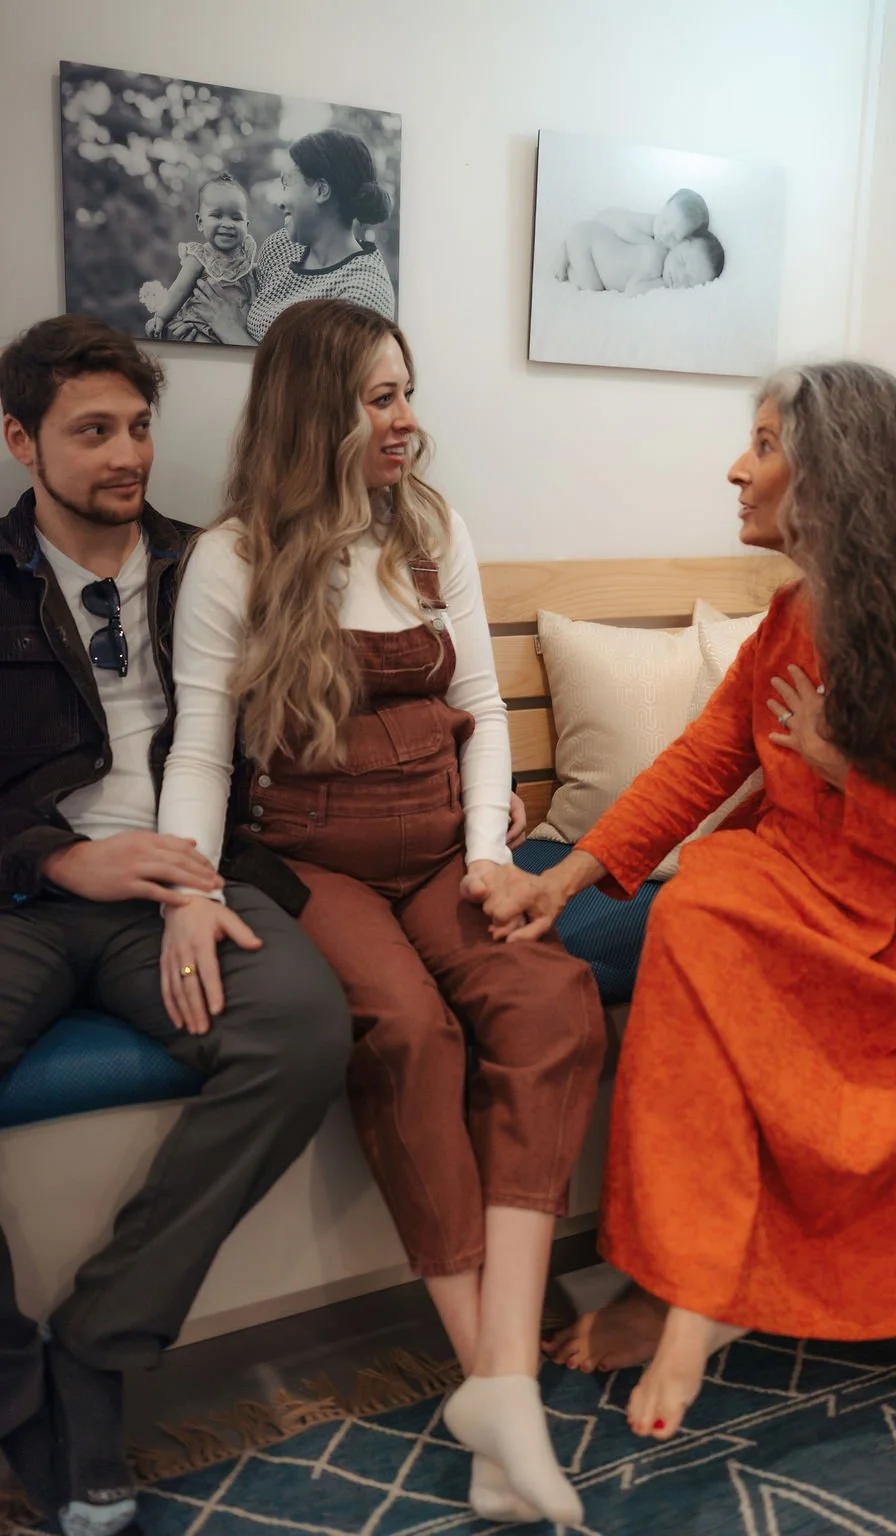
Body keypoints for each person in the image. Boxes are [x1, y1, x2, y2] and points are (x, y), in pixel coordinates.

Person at [473, 360, 896, 1442]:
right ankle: (689, 1281)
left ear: (835, 476)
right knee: (705, 899)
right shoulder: (792, 614)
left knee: (707, 912)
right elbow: (699, 761)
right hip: (815, 890)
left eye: (765, 445)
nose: (738, 468)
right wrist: (562, 879)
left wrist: (834, 773)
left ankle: (693, 1292)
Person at [156, 298, 605, 1527]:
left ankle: (501, 1386)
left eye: (406, 392)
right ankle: (489, 1377)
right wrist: (189, 896)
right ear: (316, 411)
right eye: (378, 398)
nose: (406, 420)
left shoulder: (430, 532)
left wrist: (484, 857)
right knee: (409, 1032)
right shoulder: (232, 557)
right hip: (312, 861)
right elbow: (200, 754)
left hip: (439, 856)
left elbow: (485, 718)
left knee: (548, 998)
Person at [0, 315, 352, 1535]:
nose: (128, 454)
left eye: (140, 426)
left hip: (189, 886)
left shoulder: (210, 560)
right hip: (27, 900)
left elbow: (287, 718)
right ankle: (19, 1390)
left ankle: (99, 1340)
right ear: (18, 441)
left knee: (304, 1027)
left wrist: (461, 771)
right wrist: (62, 857)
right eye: (92, 431)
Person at [187, 131, 396, 345]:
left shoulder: (363, 295)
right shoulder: (281, 246)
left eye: (287, 183)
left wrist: (231, 332)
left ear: (321, 190)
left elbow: (317, 379)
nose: (280, 201)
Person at [140, 173, 257, 343]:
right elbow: (178, 290)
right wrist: (161, 318)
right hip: (200, 326)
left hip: (236, 331)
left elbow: (253, 293)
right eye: (217, 215)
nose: (227, 223)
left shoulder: (248, 261)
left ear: (246, 225)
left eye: (236, 218)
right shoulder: (200, 256)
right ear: (200, 222)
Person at [555, 220, 725, 295]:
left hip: (589, 238)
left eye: (689, 282)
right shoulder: (654, 260)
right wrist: (661, 286)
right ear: (676, 244)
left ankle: (569, 249)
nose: (679, 276)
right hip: (588, 243)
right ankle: (567, 254)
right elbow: (632, 291)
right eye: (681, 261)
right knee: (592, 289)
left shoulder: (659, 263)